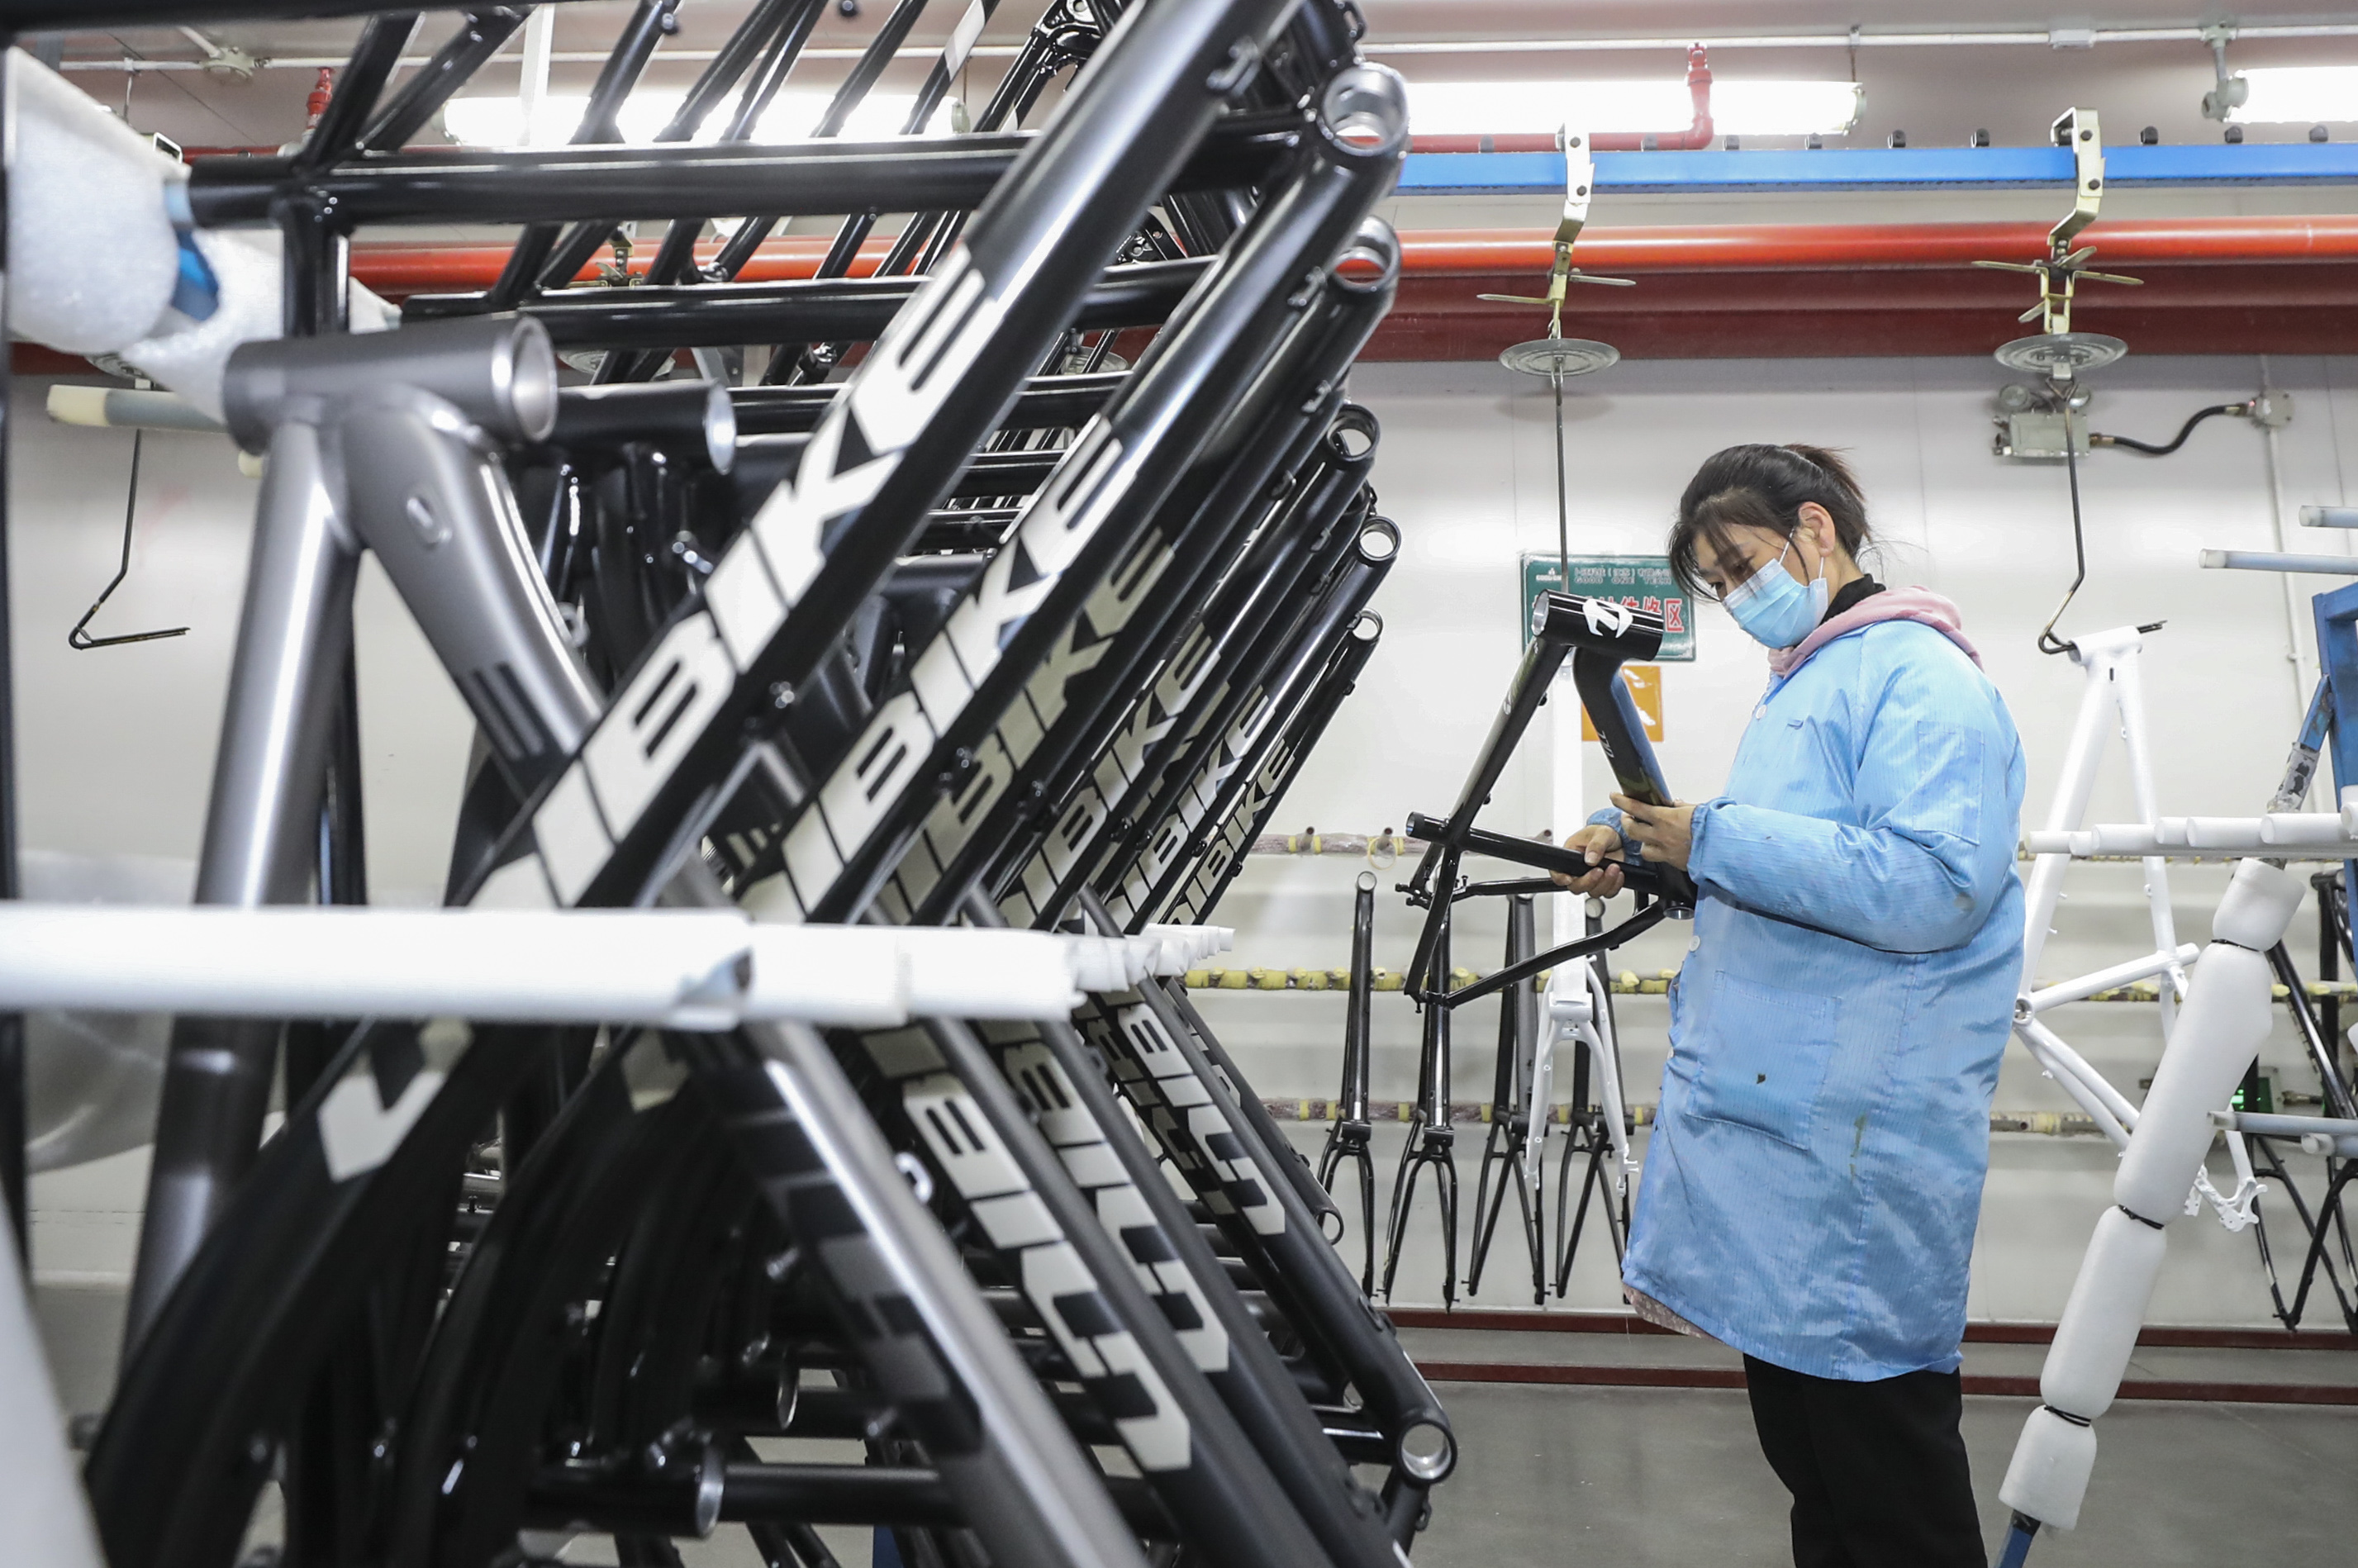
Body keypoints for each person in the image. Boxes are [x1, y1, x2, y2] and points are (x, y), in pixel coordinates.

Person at [1557, 444, 2024, 1568]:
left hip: (1861, 1135)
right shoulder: (1810, 682)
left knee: (1886, 1489)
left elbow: (1931, 883)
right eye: (1715, 584)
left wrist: (1710, 836)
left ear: (1816, 530)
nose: (1734, 595)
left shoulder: (1920, 676)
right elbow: (1799, 863)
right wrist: (1654, 848)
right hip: (1796, 1141)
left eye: (1740, 562)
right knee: (1819, 1479)